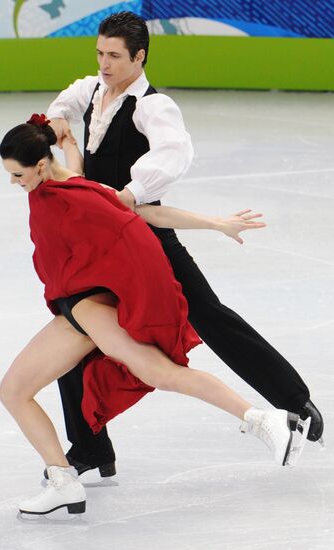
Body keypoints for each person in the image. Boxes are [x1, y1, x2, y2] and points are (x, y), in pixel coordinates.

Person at [45, 11, 323, 477]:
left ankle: (294, 401)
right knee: (76, 331)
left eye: (115, 56)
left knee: (210, 315)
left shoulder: (153, 107)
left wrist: (130, 193)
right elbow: (64, 104)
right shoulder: (92, 91)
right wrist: (54, 124)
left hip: (146, 236)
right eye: (99, 53)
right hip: (99, 246)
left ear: (140, 56)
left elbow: (174, 152)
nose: (105, 63)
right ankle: (91, 448)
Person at [0, 116, 309, 516]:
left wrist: (217, 223)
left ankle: (264, 421)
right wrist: (71, 142)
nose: (14, 183)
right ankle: (62, 482)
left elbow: (147, 215)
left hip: (89, 310)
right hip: (75, 312)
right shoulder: (65, 185)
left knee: (161, 373)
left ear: (41, 165)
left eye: (17, 174)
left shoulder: (82, 196)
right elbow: (71, 170)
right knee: (13, 391)